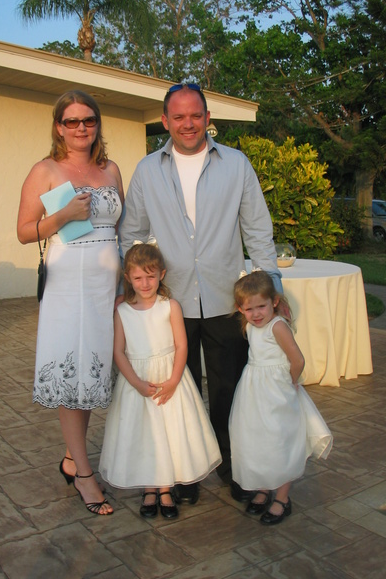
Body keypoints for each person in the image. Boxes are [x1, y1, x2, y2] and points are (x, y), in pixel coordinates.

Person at [118, 82, 282, 502]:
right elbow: (131, 236)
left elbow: (258, 233)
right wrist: (135, 291)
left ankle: (235, 470)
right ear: (165, 121)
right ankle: (183, 475)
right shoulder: (147, 171)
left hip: (228, 300)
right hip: (170, 306)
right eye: (178, 117)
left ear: (208, 119)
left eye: (195, 115)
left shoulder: (237, 165)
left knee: (231, 391)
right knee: (178, 395)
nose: (187, 124)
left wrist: (273, 294)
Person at [17, 90, 124, 516]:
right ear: (59, 126)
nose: (81, 128)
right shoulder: (44, 170)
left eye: (89, 120)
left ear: (97, 124)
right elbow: (25, 231)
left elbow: (124, 224)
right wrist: (62, 217)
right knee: (70, 375)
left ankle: (69, 457)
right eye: (72, 121)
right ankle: (83, 474)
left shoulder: (111, 169)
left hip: (106, 285)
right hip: (67, 285)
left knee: (93, 375)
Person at [99, 242, 221, 518]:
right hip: (138, 383)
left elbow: (181, 346)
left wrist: (174, 380)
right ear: (128, 278)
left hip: (169, 380)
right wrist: (137, 384)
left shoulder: (170, 306)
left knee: (169, 433)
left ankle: (165, 488)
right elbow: (118, 351)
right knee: (144, 434)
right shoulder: (122, 312)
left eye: (150, 276)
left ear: (162, 275)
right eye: (138, 278)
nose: (145, 283)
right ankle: (149, 488)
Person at [229, 270, 333, 524]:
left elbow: (297, 359)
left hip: (276, 391)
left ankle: (282, 498)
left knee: (279, 440)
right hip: (253, 390)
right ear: (240, 309)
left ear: (274, 302)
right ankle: (264, 487)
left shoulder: (277, 326)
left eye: (261, 306)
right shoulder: (251, 326)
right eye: (249, 309)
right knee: (257, 438)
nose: (256, 314)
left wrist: (291, 382)